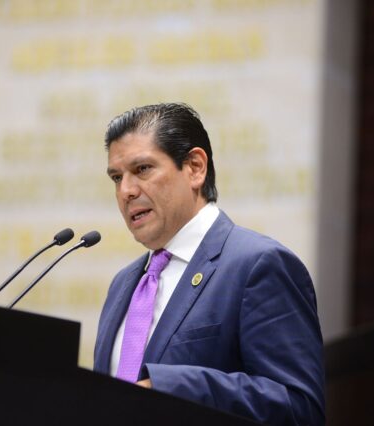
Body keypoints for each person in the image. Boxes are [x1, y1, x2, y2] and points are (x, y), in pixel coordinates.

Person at [94, 103, 325, 425]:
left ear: (195, 167)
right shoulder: (124, 283)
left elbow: (299, 407)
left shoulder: (258, 265)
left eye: (142, 169)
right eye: (117, 177)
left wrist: (169, 388)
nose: (126, 191)